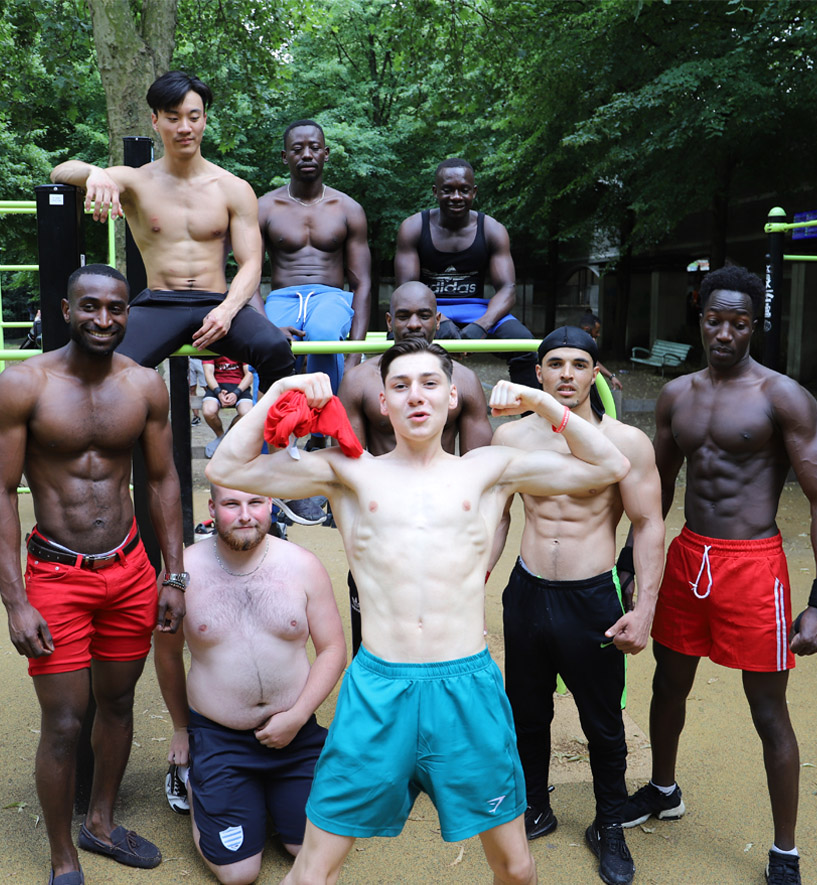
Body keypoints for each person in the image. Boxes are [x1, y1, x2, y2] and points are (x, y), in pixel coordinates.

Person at [206, 336, 630, 885]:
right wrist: (282, 390)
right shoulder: (348, 471)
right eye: (400, 386)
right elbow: (226, 469)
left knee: (517, 869)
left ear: (453, 396)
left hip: (467, 688)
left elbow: (609, 463)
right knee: (314, 868)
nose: (416, 397)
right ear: (383, 402)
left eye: (429, 383)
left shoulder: (491, 468)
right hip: (379, 691)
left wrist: (544, 404)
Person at [620, 266, 817, 885]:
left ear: (754, 326)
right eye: (715, 320)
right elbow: (654, 491)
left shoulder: (782, 396)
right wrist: (638, 569)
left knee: (768, 710)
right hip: (688, 557)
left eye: (739, 323)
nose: (725, 333)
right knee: (667, 684)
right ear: (700, 317)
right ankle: (663, 789)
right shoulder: (677, 395)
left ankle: (785, 851)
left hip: (753, 566)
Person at [0, 264, 187, 884]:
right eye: (91, 307)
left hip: (130, 569)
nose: (104, 320)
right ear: (65, 309)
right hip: (57, 574)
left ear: (129, 313)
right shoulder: (24, 384)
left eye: (116, 309)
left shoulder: (143, 386)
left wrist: (174, 574)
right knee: (64, 719)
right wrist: (15, 600)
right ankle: (62, 858)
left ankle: (101, 822)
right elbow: (1, 490)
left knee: (118, 700)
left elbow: (161, 479)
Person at [492, 326, 664, 885]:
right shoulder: (511, 441)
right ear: (537, 374)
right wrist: (477, 575)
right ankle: (536, 804)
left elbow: (648, 525)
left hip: (591, 598)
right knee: (527, 711)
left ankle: (609, 825)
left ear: (596, 374)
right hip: (527, 592)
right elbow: (497, 519)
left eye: (579, 364)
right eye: (556, 364)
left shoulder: (627, 442)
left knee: (603, 722)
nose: (567, 373)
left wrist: (644, 611)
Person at [50, 71, 294, 391]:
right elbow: (60, 171)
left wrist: (228, 309)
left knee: (276, 348)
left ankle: (278, 441)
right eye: (172, 117)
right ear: (155, 121)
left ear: (204, 119)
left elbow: (251, 264)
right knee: (106, 365)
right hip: (160, 303)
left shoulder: (234, 188)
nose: (184, 128)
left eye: (193, 117)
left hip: (217, 303)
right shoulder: (136, 181)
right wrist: (95, 172)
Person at [154, 483, 346, 884]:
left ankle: (269, 797)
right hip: (220, 737)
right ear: (211, 507)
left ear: (270, 504)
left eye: (256, 502)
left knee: (307, 847)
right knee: (239, 874)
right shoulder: (182, 574)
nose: (245, 514)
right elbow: (168, 656)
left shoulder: (303, 565)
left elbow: (332, 650)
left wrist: (297, 716)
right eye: (231, 504)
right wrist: (180, 729)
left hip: (294, 733)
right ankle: (194, 780)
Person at [338, 280, 493, 654]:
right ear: (389, 321)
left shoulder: (464, 381)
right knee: (376, 649)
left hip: (445, 531)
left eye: (423, 315)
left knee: (446, 651)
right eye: (403, 316)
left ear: (438, 320)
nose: (413, 324)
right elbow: (349, 475)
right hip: (383, 532)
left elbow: (481, 478)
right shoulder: (360, 380)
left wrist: (477, 568)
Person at [395, 158, 538, 389]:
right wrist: (440, 319)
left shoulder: (492, 229)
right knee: (398, 344)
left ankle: (531, 418)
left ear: (474, 192)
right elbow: (406, 290)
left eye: (464, 190)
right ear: (435, 191)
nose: (456, 197)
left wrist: (481, 325)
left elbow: (508, 289)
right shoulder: (413, 227)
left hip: (478, 310)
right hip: (425, 309)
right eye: (448, 190)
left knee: (525, 346)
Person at [259, 118, 371, 389]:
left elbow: (362, 282)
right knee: (269, 344)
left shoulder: (347, 208)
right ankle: (274, 429)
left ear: (326, 153)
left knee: (324, 332)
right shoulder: (265, 207)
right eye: (298, 149)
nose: (307, 154)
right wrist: (262, 326)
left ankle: (322, 428)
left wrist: (354, 354)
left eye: (314, 148)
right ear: (285, 157)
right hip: (281, 299)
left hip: (330, 297)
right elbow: (248, 276)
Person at [201, 356, 254, 458]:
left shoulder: (241, 343)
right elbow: (208, 372)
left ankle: (226, 437)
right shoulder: (212, 344)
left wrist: (236, 393)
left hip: (240, 386)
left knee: (248, 413)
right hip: (216, 385)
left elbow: (249, 373)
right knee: (208, 411)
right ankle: (221, 436)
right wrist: (218, 392)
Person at [578, 312, 622, 392]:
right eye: (596, 331)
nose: (598, 334)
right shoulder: (578, 344)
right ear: (587, 329)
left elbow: (595, 362)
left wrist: (611, 376)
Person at [189, 357, 207, 425]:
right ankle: (196, 416)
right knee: (191, 389)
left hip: (202, 359)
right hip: (189, 358)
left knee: (206, 386)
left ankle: (211, 412)